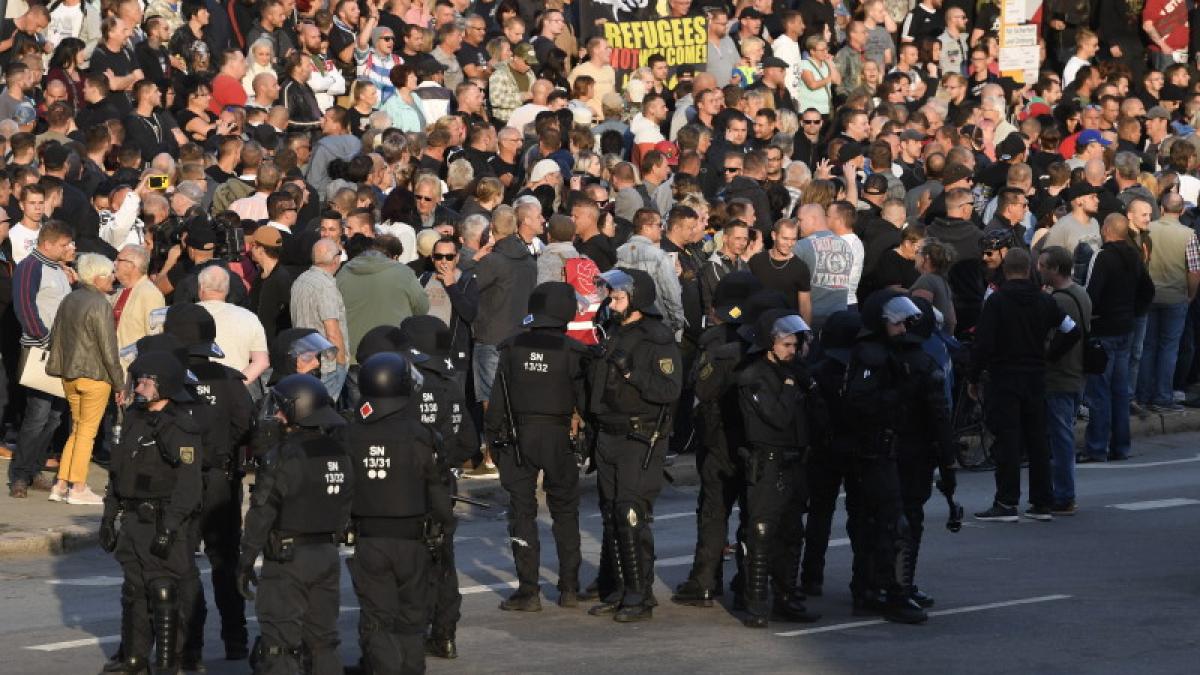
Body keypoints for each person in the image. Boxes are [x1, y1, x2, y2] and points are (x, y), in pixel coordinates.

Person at [237, 374, 354, 675]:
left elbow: (262, 511)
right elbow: (346, 504)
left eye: (279, 409)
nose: (275, 415)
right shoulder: (337, 452)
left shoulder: (284, 456)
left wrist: (246, 559)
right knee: (323, 641)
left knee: (280, 645)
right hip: (327, 554)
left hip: (289, 560)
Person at [345, 351, 454, 674]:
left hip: (370, 540)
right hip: (412, 540)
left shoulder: (350, 432)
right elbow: (437, 488)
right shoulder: (421, 435)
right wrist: (445, 526)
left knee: (377, 618)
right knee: (411, 618)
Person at [160, 304, 255, 665]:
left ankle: (191, 646)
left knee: (183, 565)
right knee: (224, 562)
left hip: (179, 482)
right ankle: (236, 641)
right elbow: (247, 426)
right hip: (220, 479)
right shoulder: (230, 379)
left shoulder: (167, 381)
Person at [486, 282, 590, 611]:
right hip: (558, 436)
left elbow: (497, 401)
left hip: (519, 437)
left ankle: (528, 591)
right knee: (565, 512)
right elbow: (586, 403)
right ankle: (570, 588)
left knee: (522, 513)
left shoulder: (512, 348)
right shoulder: (574, 352)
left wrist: (494, 443)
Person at [586, 269, 682, 622]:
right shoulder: (613, 331)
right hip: (608, 433)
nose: (612, 303)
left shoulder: (657, 337)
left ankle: (640, 595)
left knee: (630, 514)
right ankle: (619, 589)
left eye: (619, 297)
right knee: (612, 516)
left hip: (640, 437)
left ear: (637, 298)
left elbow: (670, 391)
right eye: (611, 297)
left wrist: (633, 374)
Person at [99, 351, 202, 674]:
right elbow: (118, 472)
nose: (140, 386)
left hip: (161, 518)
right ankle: (135, 656)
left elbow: (188, 484)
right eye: (139, 379)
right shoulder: (133, 418)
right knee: (133, 591)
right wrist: (108, 516)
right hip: (132, 520)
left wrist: (170, 527)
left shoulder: (178, 426)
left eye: (148, 381)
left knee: (163, 590)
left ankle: (168, 664)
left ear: (166, 385)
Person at [969, 249, 1080, 522]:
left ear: (1005, 270)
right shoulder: (1044, 301)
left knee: (1007, 440)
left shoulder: (997, 302)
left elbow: (983, 343)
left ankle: (1007, 501)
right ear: (1029, 270)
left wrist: (973, 376)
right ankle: (1042, 501)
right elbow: (1072, 329)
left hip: (1005, 376)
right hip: (1035, 376)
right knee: (1038, 440)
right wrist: (1049, 355)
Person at [672, 272, 761, 608]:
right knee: (753, 513)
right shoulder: (767, 337)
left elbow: (700, 387)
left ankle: (706, 581)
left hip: (719, 437)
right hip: (755, 439)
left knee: (714, 510)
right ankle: (748, 582)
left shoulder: (715, 341)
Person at [736, 308, 822, 628]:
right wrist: (789, 384)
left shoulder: (797, 371)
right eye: (786, 344)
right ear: (769, 343)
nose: (792, 350)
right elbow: (776, 418)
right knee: (761, 532)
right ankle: (757, 602)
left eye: (795, 345)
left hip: (795, 462)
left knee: (791, 533)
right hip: (768, 463)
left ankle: (788, 598)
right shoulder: (754, 375)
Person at [45, 253, 123, 505]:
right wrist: (120, 383)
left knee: (77, 431)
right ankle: (78, 487)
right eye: (110, 273)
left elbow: (56, 336)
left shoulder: (69, 298)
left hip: (70, 374)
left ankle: (60, 485)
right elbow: (109, 350)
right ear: (98, 277)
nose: (114, 277)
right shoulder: (100, 304)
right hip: (95, 376)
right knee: (86, 433)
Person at [1083, 214, 1155, 466]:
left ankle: (1097, 447)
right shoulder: (1134, 257)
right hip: (1125, 329)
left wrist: (1093, 318)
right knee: (1120, 391)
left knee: (1100, 391)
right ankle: (1121, 446)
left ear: (1106, 230)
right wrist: (1133, 312)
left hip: (1104, 330)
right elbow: (1148, 289)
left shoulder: (1102, 257)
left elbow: (1091, 294)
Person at [9, 220, 74, 499]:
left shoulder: (56, 269)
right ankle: (20, 476)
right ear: (47, 245)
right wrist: (45, 340)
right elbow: (25, 306)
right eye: (64, 244)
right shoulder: (30, 267)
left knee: (55, 416)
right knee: (37, 415)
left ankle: (34, 469)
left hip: (59, 352)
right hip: (41, 351)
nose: (70, 248)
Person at [1037, 246, 1092, 516]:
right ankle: (1063, 493)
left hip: (1060, 375)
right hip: (1077, 373)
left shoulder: (1059, 301)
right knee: (1063, 434)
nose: (1040, 271)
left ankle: (1064, 495)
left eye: (1044, 266)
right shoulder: (1080, 292)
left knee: (1060, 439)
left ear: (1056, 269)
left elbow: (1052, 337)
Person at [1135, 193, 1200, 412]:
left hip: (1150, 297)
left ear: (1161, 209)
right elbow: (1194, 271)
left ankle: (1143, 394)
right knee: (1169, 348)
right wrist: (1190, 295)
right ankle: (1163, 395)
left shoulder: (1148, 229)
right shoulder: (1188, 234)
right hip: (1176, 297)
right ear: (1181, 211)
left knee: (1148, 346)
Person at [290, 238, 350, 399]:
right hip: (326, 364)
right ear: (335, 260)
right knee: (324, 412)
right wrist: (341, 363)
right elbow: (332, 330)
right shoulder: (325, 286)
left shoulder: (300, 280)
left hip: (304, 360)